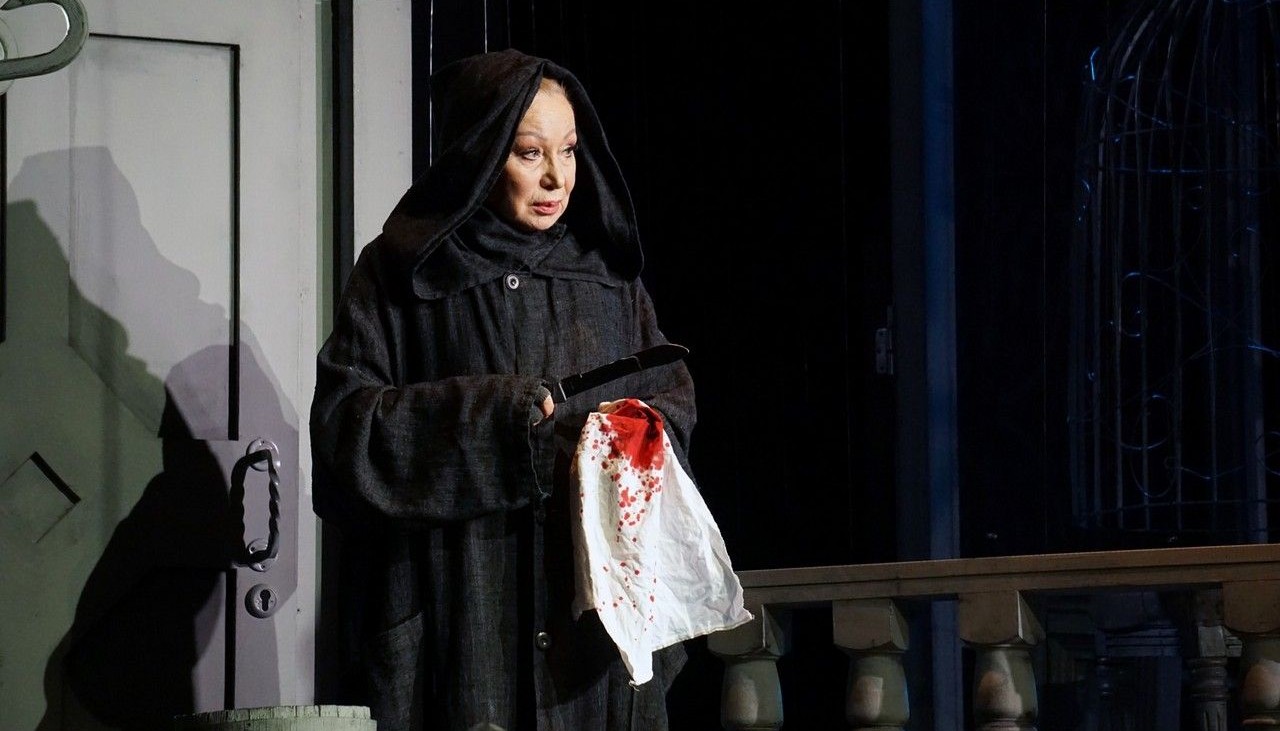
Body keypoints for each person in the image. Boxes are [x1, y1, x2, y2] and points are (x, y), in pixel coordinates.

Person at [309, 48, 697, 731]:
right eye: (528, 152)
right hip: (458, 611)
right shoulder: (401, 271)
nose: (556, 177)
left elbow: (671, 401)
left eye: (569, 151)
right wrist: (493, 421)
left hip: (591, 635)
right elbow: (345, 434)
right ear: (480, 152)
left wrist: (634, 431)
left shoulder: (607, 277)